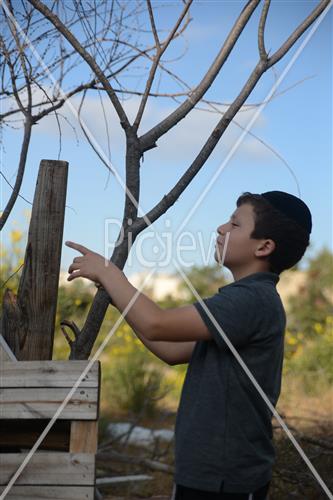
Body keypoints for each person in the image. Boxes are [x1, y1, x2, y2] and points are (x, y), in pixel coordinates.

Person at [66, 190, 312, 500]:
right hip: (204, 472)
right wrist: (119, 299)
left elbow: (157, 324)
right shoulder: (244, 301)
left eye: (235, 225)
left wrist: (108, 272)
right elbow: (171, 350)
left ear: (264, 246)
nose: (221, 228)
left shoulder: (251, 301)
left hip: (226, 480)